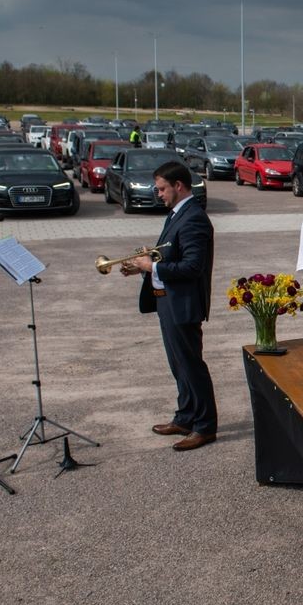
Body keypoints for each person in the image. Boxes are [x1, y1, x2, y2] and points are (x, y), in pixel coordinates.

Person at [123, 161, 218, 451]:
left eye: (162, 188)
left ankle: (205, 427)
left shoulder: (194, 219)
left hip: (183, 305)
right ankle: (186, 416)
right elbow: (167, 256)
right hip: (167, 303)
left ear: (179, 186)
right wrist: (142, 267)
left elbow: (192, 266)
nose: (159, 194)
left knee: (191, 367)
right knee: (178, 366)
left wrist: (151, 266)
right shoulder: (176, 214)